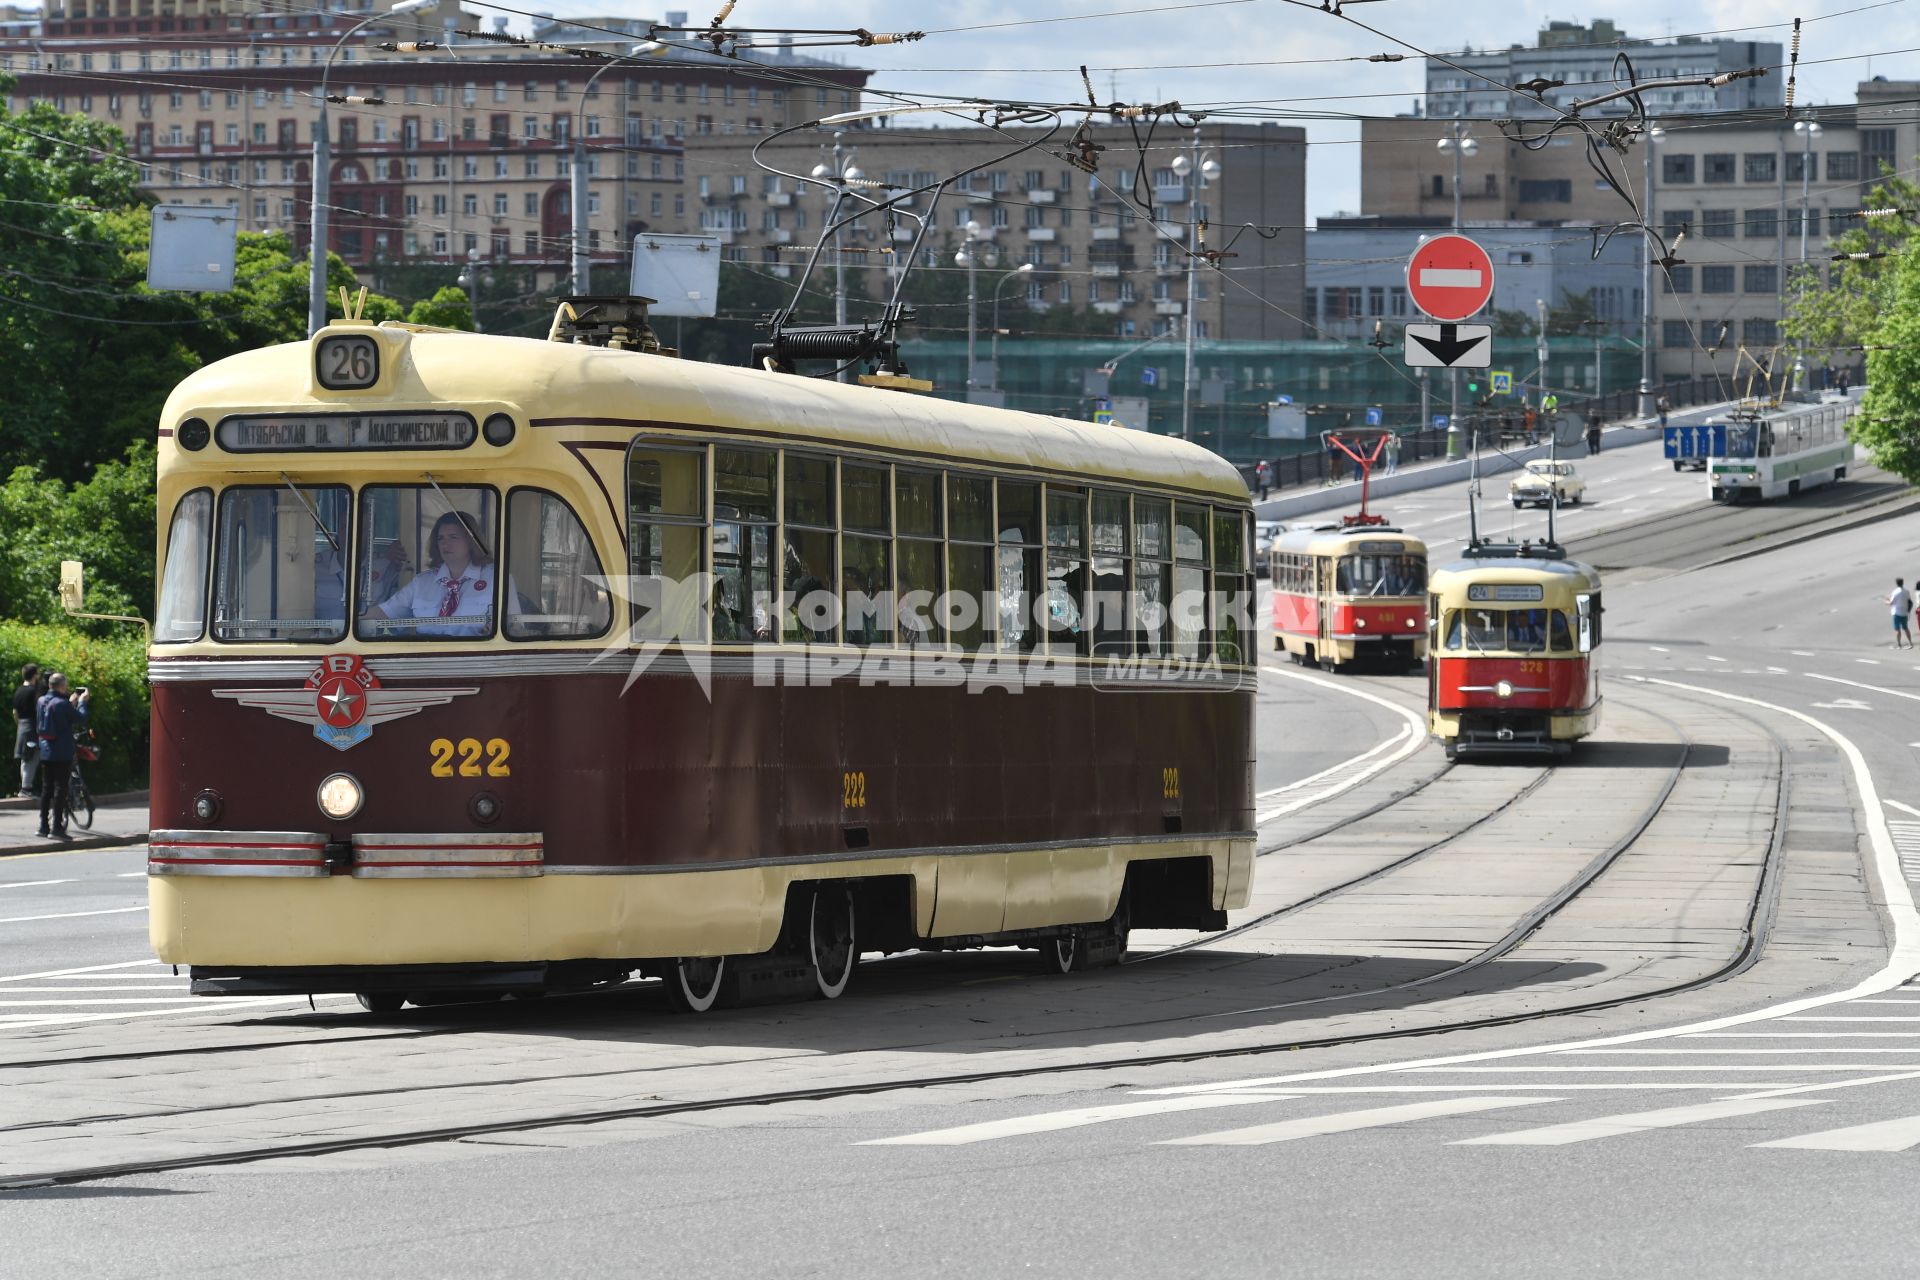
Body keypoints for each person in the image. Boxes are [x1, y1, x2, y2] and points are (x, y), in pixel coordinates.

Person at [361, 511, 514, 638]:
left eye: (453, 537)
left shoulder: (498, 579)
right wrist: (345, 622)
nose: (445, 544)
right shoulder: (421, 583)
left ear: (471, 541)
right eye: (441, 538)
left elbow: (515, 627)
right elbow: (385, 612)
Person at [35, 673, 88, 840]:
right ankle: (57, 828)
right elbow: (81, 718)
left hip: (45, 749)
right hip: (62, 751)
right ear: (62, 686)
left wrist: (69, 703)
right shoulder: (63, 704)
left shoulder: (41, 701)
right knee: (60, 789)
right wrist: (81, 703)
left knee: (46, 788)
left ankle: (43, 826)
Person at [13, 663, 43, 800]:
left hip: (22, 726)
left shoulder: (18, 691)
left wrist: (19, 725)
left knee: (25, 758)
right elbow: (39, 711)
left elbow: (15, 712)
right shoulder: (33, 692)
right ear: (35, 675)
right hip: (31, 726)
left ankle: (26, 786)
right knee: (32, 757)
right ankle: (26, 788)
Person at [1891, 578, 1913, 649]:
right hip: (1904, 612)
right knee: (1906, 628)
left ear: (1896, 583)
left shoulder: (1895, 592)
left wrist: (1886, 602)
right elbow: (1909, 600)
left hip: (1897, 612)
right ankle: (1910, 643)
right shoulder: (1906, 591)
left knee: (1898, 629)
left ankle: (1899, 644)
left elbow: (1891, 602)